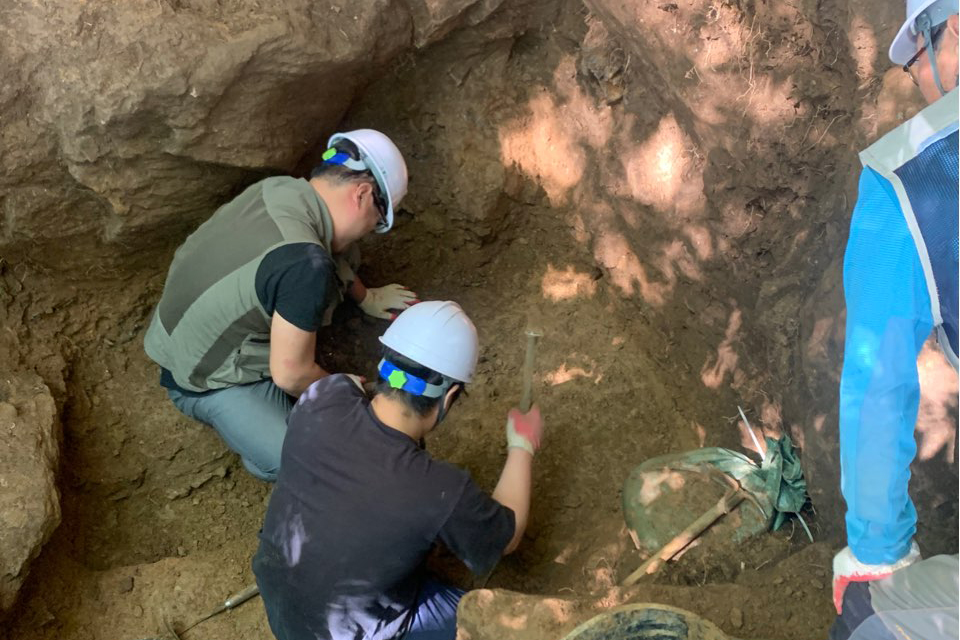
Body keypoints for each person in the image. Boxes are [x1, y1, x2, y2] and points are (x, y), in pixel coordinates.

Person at [252, 300, 543, 640]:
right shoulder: (436, 490)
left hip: (282, 603)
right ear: (448, 398)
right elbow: (506, 536)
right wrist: (522, 446)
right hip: (345, 632)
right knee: (497, 624)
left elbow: (346, 387)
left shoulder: (323, 395)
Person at [144, 129, 420, 482]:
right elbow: (291, 374)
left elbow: (326, 250)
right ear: (363, 194)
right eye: (378, 221)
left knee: (339, 243)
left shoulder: (280, 189)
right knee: (301, 462)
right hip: (203, 378)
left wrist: (366, 297)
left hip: (176, 327)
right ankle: (256, 444)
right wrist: (338, 384)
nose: (372, 229)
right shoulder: (306, 268)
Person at [831, 0, 958, 634]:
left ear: (955, 28)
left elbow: (877, 386)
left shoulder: (907, 175)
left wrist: (876, 556)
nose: (921, 86)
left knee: (868, 617)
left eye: (915, 64)